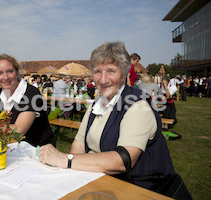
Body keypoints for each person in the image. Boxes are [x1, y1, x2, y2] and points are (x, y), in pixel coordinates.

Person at [38, 41, 174, 190]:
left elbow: (123, 160)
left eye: (111, 71)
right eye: (97, 72)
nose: (103, 80)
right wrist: (73, 175)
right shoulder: (97, 104)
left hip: (140, 190)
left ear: (123, 75)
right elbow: (79, 144)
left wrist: (67, 160)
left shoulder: (138, 106)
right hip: (101, 183)